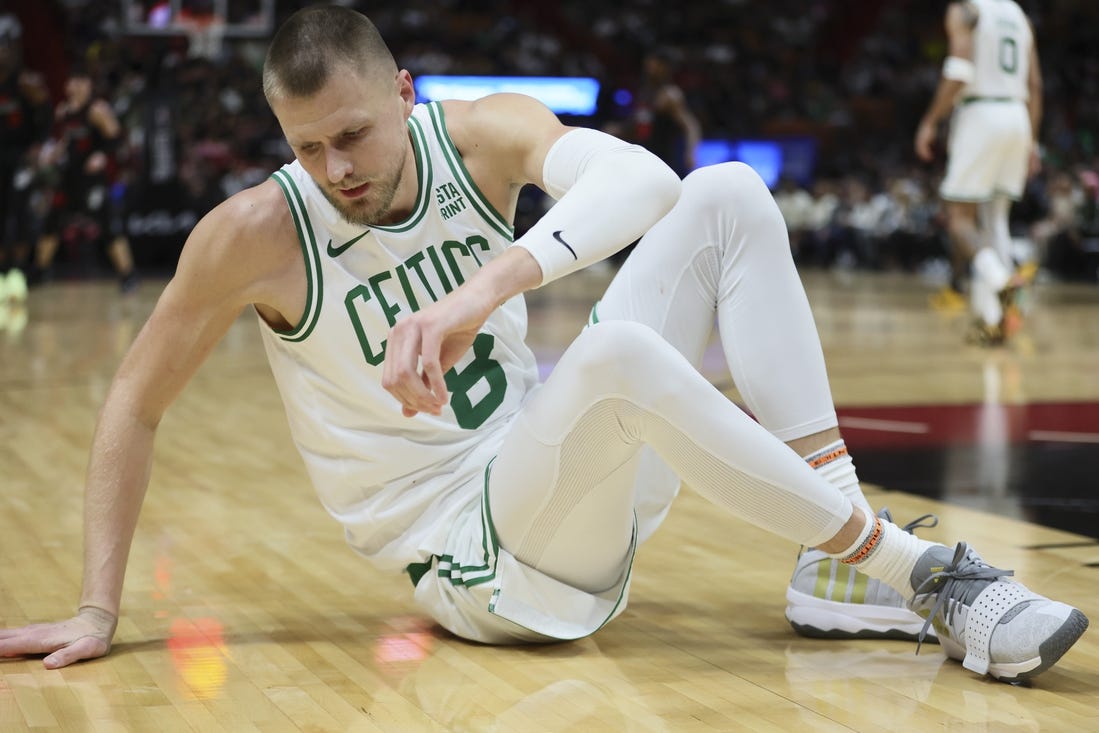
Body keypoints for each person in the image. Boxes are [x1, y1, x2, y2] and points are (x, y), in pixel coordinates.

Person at [0, 6, 1086, 683]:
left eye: (354, 135)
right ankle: (929, 577)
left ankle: (838, 562)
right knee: (612, 362)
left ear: (403, 94)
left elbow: (644, 183)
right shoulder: (252, 234)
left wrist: (485, 286)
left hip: (554, 476)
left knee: (725, 192)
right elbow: (132, 401)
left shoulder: (476, 135)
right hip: (476, 564)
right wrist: (100, 605)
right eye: (308, 146)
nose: (336, 167)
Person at [914, 0, 1043, 345]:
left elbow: (959, 72)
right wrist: (1031, 141)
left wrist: (930, 122)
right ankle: (995, 320)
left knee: (958, 218)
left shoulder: (965, 9)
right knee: (996, 218)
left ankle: (1002, 281)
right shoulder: (1018, 14)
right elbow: (1036, 86)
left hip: (981, 113)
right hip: (1017, 115)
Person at [32, 68, 139, 292]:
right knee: (51, 221)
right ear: (67, 85)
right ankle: (40, 272)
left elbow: (117, 139)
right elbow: (64, 139)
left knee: (109, 225)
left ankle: (128, 275)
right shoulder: (63, 110)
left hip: (93, 180)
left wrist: (102, 155)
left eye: (82, 82)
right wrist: (54, 154)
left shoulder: (97, 110)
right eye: (73, 81)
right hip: (69, 177)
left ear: (89, 86)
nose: (77, 86)